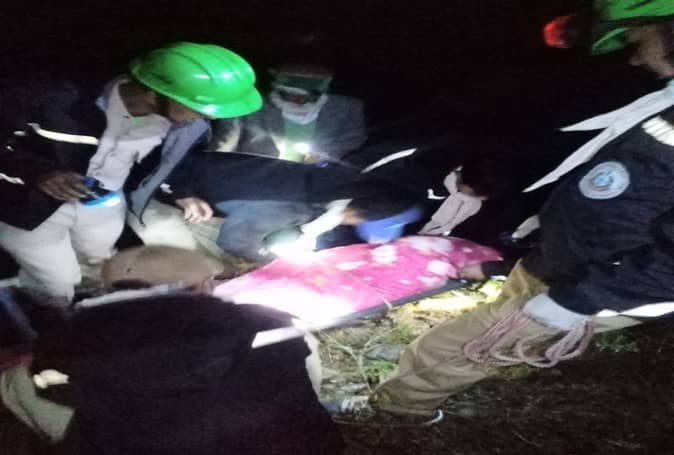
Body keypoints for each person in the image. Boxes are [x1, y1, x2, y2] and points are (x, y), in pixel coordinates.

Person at [360, 0, 674, 419]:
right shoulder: (664, 104)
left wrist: (580, 300)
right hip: (562, 258)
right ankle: (436, 365)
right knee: (498, 324)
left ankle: (398, 409)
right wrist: (516, 255)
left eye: (640, 38)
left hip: (609, 281)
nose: (634, 56)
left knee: (458, 346)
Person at [0, 42, 262, 302]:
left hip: (103, 203)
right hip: (28, 205)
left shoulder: (178, 125)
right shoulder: (53, 99)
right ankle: (50, 314)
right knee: (57, 281)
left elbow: (161, 163)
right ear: (154, 95)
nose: (209, 117)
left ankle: (90, 301)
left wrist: (179, 193)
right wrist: (40, 172)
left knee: (98, 260)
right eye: (200, 108)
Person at [217, 63, 367, 163]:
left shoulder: (347, 108)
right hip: (257, 182)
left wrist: (325, 155)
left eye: (308, 98)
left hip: (318, 183)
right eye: (292, 96)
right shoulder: (248, 108)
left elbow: (354, 140)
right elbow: (222, 151)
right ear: (278, 91)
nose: (300, 102)